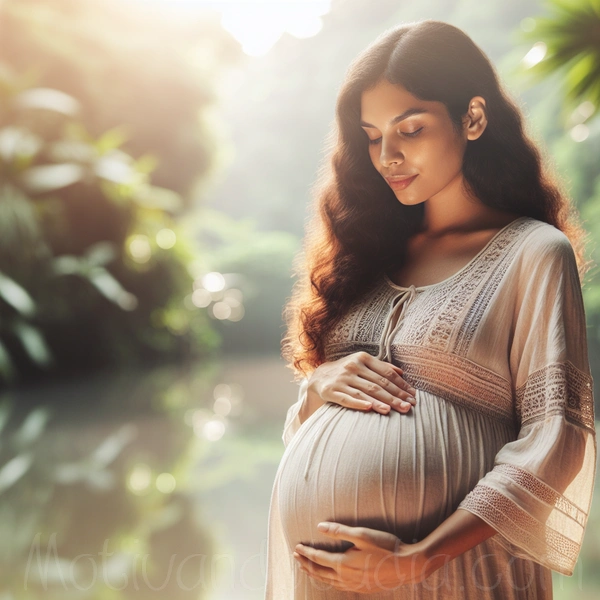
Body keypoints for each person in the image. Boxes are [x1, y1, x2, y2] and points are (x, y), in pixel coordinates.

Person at [264, 19, 597, 599]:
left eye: (410, 129)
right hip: (324, 577)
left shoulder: (533, 252)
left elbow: (557, 440)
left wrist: (417, 558)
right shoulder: (365, 256)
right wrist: (319, 386)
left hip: (449, 573)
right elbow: (305, 429)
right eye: (371, 136)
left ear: (472, 118)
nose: (387, 156)